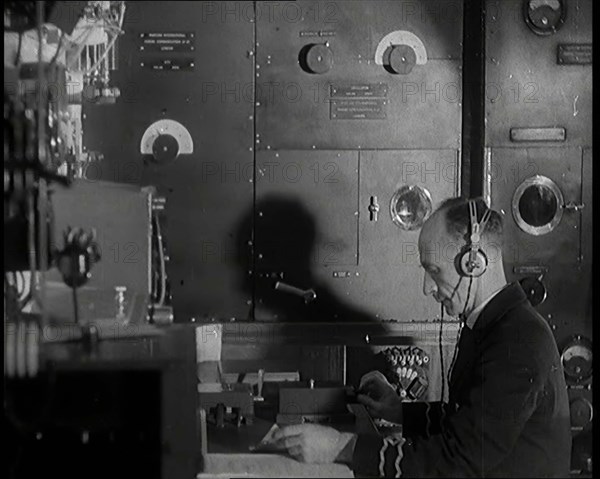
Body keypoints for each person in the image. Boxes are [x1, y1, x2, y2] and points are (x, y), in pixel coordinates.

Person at [272, 197, 571, 478]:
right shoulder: (496, 326)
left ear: (473, 263)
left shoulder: (516, 342)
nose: (427, 288)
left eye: (434, 270)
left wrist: (342, 447)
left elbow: (457, 460)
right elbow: (470, 423)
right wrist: (399, 412)